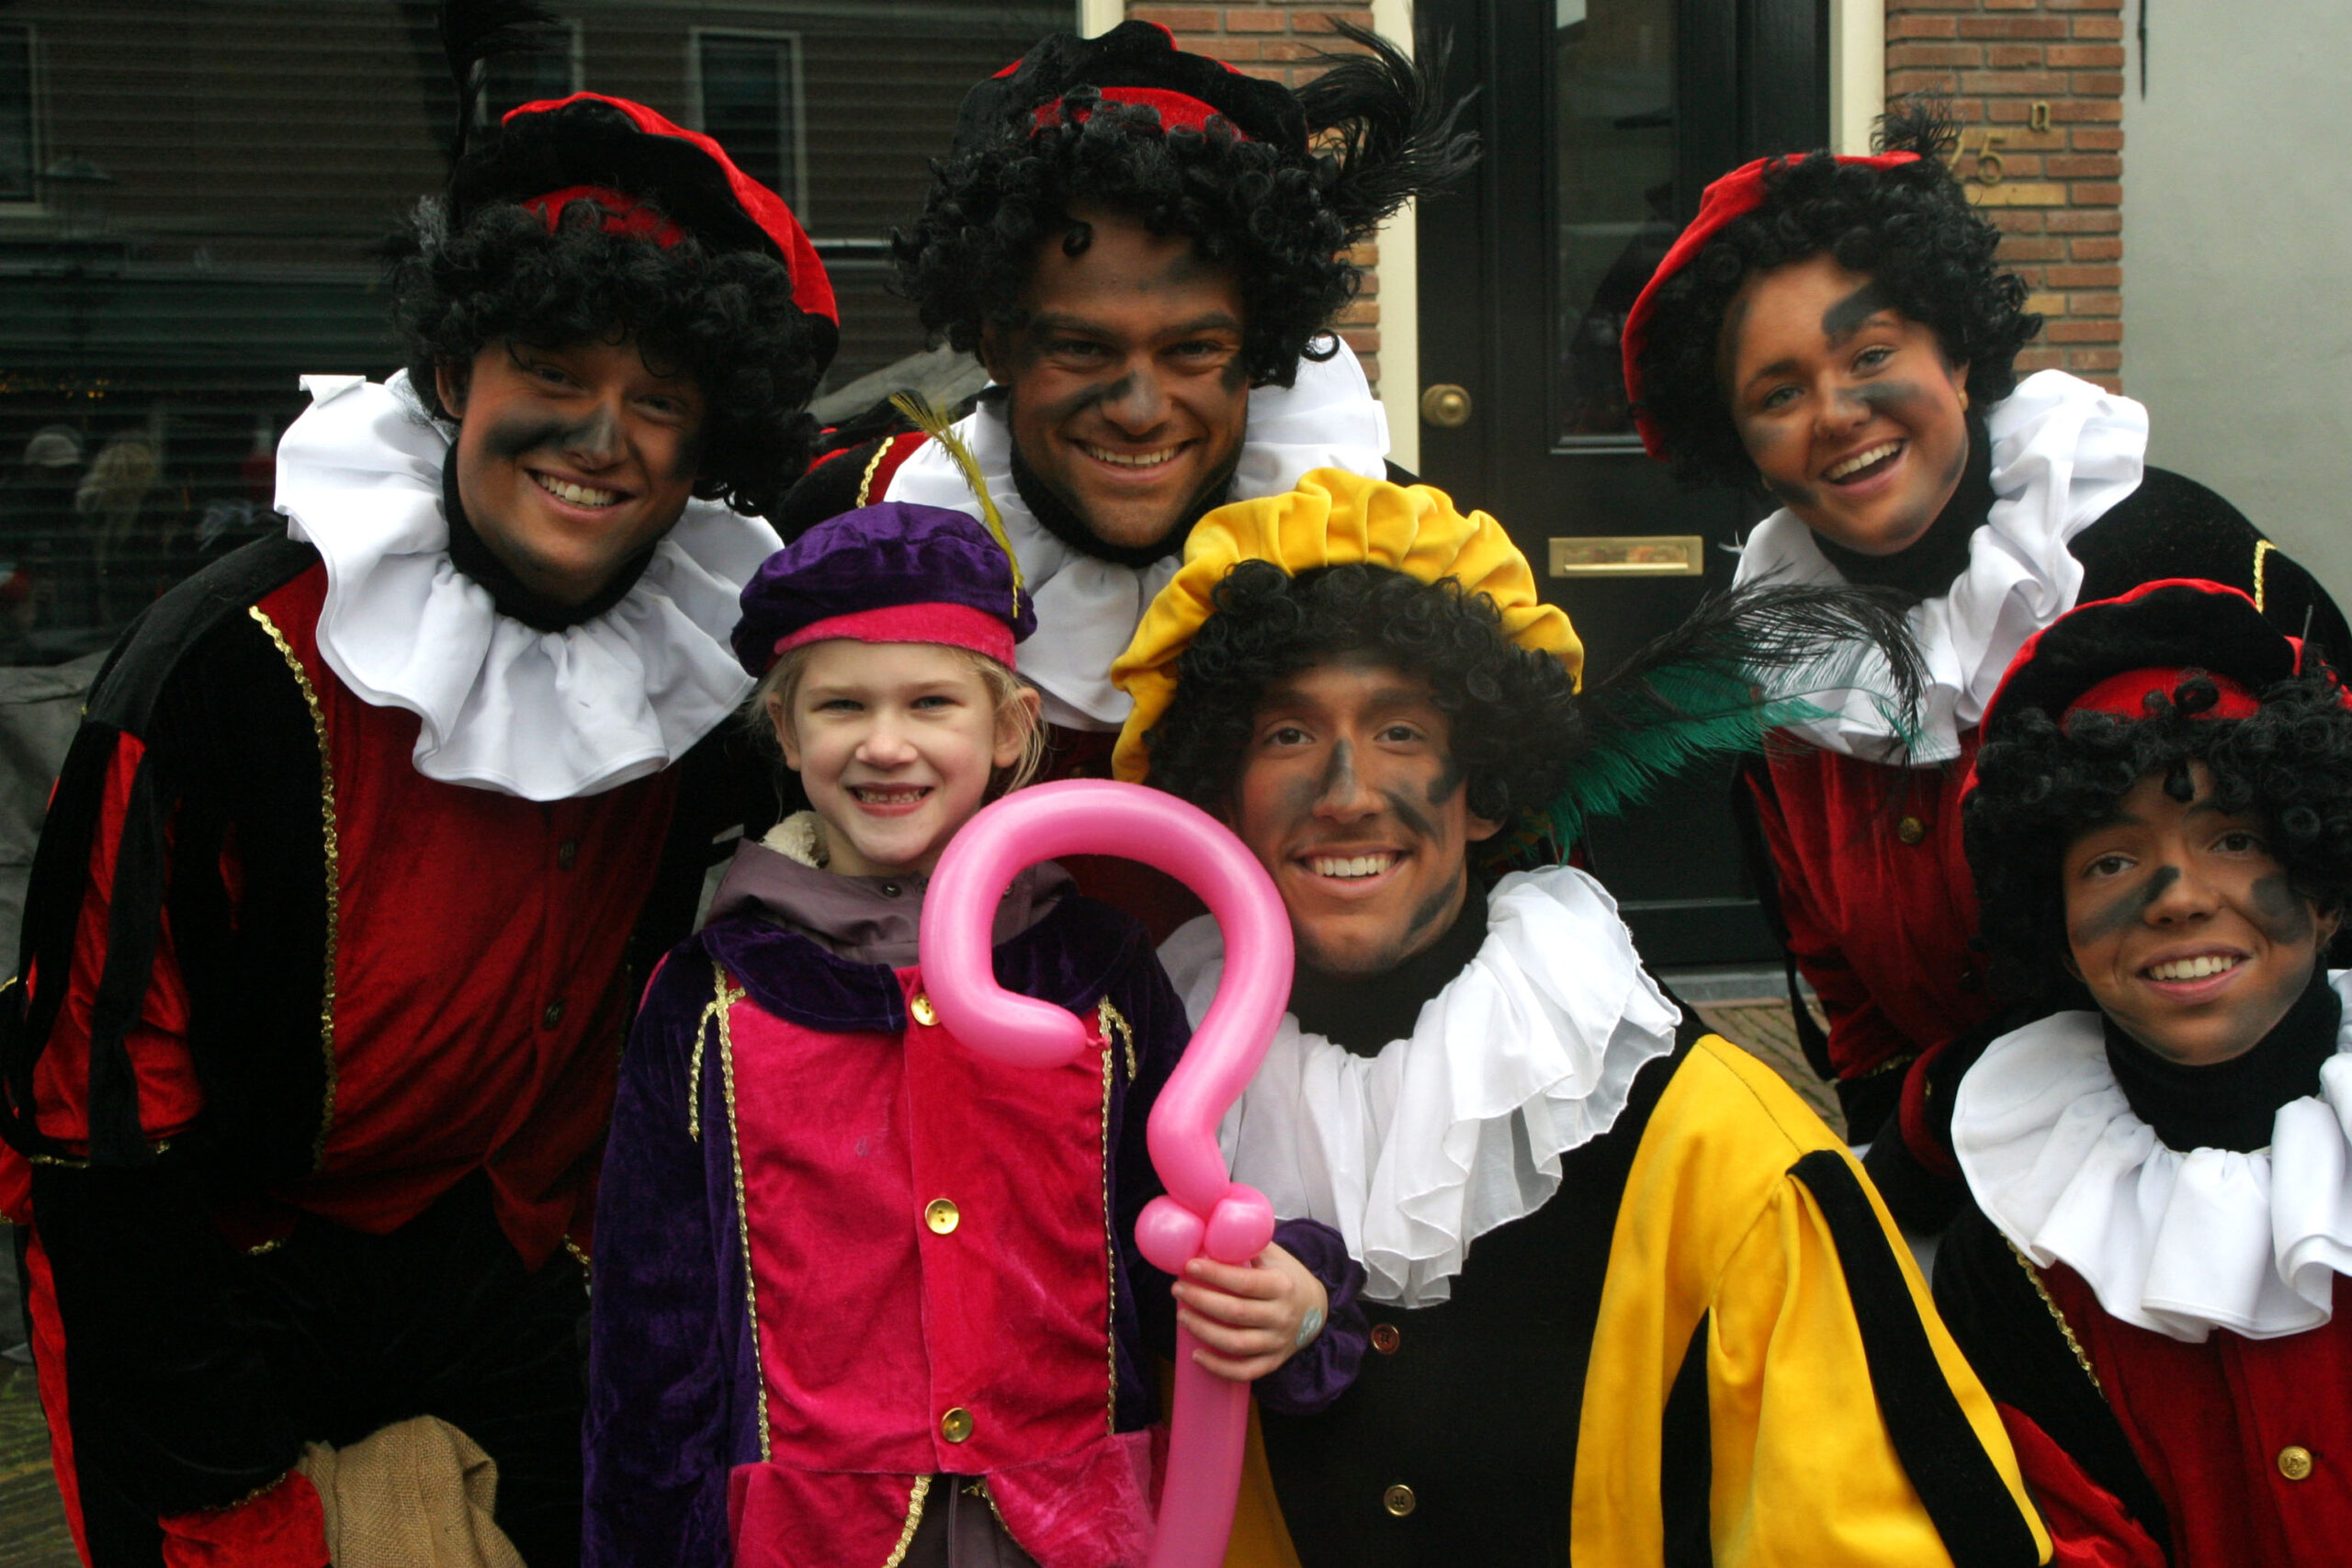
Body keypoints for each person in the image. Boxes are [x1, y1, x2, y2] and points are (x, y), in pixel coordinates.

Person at [0, 32, 837, 1567]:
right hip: (220, 1279)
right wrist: (222, 1481)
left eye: (657, 399)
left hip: (519, 1268)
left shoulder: (704, 673)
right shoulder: (228, 664)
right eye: (553, 374)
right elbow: (97, 1130)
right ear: (455, 375)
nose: (598, 438)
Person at [1109, 466, 2054, 1567]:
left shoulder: (1716, 1151)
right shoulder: (1139, 1101)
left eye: (1402, 731)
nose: (1347, 793)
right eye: (1286, 735)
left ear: (1484, 789)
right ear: (1221, 794)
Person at [582, 501, 1351, 1568]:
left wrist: (1293, 1298)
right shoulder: (713, 994)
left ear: (1008, 727)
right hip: (807, 1541)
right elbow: (651, 1337)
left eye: (930, 702)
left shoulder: (1096, 970)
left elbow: (1187, 1221)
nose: (884, 744)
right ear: (788, 734)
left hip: (1077, 1532)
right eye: (841, 705)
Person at [1619, 102, 2351, 1224]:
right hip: (1967, 1207)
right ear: (1742, 446)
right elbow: (1848, 996)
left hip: (2247, 1190)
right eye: (1777, 394)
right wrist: (1911, 1152)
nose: (1837, 413)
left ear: (1956, 355)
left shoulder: (2183, 564)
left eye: (1871, 355)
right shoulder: (1780, 677)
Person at [777, 21, 1473, 907]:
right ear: (997, 345)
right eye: (1081, 347)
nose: (1139, 411)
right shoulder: (860, 521)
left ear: (1260, 350)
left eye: (1193, 350)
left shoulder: (1395, 542)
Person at [1930, 579, 2352, 1567]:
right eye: (2110, 863)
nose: (2177, 899)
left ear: (2325, 887)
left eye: (2234, 839)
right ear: (2060, 935)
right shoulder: (2013, 1247)